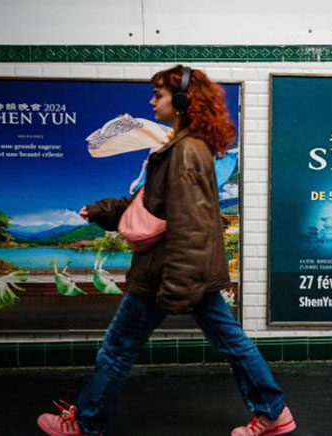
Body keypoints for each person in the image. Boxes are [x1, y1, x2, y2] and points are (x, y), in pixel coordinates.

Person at [37, 65, 296, 436]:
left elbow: (191, 224)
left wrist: (175, 287)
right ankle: (273, 412)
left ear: (182, 100)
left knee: (118, 347)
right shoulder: (182, 147)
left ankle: (85, 422)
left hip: (165, 274)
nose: (151, 101)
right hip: (187, 274)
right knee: (232, 342)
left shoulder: (185, 152)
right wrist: (101, 211)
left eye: (157, 95)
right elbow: (151, 207)